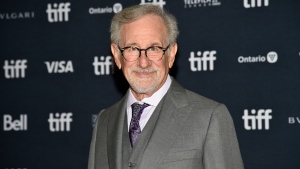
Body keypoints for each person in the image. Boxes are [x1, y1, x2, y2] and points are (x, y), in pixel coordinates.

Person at [88, 4, 244, 169]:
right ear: (117, 55)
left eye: (154, 48)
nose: (143, 62)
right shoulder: (104, 121)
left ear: (171, 54)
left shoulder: (209, 117)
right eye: (132, 48)